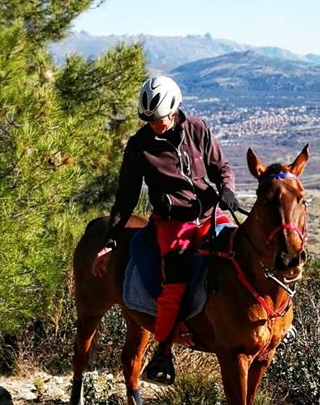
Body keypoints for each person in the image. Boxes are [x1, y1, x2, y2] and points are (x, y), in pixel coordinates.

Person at [92, 75, 238, 385]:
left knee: (242, 252)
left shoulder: (198, 129)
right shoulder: (138, 147)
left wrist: (227, 189)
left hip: (210, 214)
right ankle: (163, 353)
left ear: (173, 111)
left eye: (156, 119)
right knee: (174, 282)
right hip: (173, 224)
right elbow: (126, 197)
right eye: (147, 119)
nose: (152, 124)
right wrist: (110, 240)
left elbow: (221, 168)